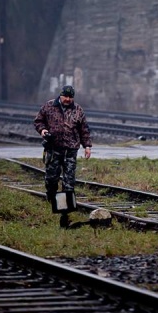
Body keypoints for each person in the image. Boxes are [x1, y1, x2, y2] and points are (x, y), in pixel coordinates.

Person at [33, 85, 92, 227]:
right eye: (65, 96)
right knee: (52, 177)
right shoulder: (49, 106)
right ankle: (51, 198)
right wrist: (43, 131)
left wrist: (87, 146)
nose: (68, 99)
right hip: (54, 148)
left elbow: (84, 129)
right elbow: (38, 121)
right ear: (60, 96)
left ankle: (65, 211)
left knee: (69, 181)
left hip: (71, 149)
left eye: (70, 97)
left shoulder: (78, 110)